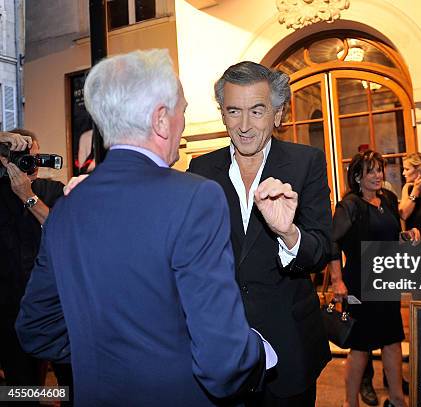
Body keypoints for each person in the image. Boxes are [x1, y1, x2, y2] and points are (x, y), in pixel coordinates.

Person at [16, 49, 272, 406]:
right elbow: (223, 361)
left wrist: (112, 359)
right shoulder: (195, 198)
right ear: (161, 120)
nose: (185, 120)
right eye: (183, 109)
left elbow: (36, 329)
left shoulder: (65, 208)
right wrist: (261, 353)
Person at [188, 61, 331, 407]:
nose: (245, 125)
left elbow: (322, 249)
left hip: (290, 346)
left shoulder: (305, 162)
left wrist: (288, 233)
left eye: (257, 110)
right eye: (234, 111)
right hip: (223, 348)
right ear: (223, 114)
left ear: (278, 114)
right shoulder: (200, 170)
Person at [330, 150, 413, 407]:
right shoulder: (349, 205)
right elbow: (332, 242)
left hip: (387, 279)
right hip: (359, 283)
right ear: (357, 176)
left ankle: (398, 399)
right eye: (372, 171)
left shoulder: (387, 199)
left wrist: (409, 236)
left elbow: (391, 237)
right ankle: (349, 402)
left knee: (392, 340)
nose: (379, 175)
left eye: (380, 169)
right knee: (361, 346)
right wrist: (337, 280)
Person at [0, 130, 73, 406]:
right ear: (5, 161)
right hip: (10, 316)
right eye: (24, 159)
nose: (33, 165)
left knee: (73, 389)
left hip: (57, 311)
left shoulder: (52, 190)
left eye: (36, 158)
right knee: (18, 394)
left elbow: (64, 232)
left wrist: (27, 196)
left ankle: (53, 396)